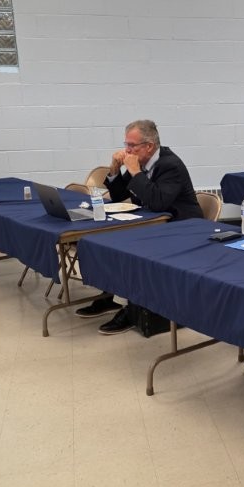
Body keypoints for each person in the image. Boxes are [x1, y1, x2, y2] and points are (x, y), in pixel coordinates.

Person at [92, 119, 204, 334]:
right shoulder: (141, 162)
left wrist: (136, 173)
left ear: (149, 146)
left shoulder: (170, 165)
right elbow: (118, 196)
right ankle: (111, 296)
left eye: (132, 145)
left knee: (130, 251)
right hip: (155, 223)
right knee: (109, 243)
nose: (127, 150)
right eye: (126, 144)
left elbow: (158, 202)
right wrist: (115, 169)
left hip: (182, 227)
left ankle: (129, 309)